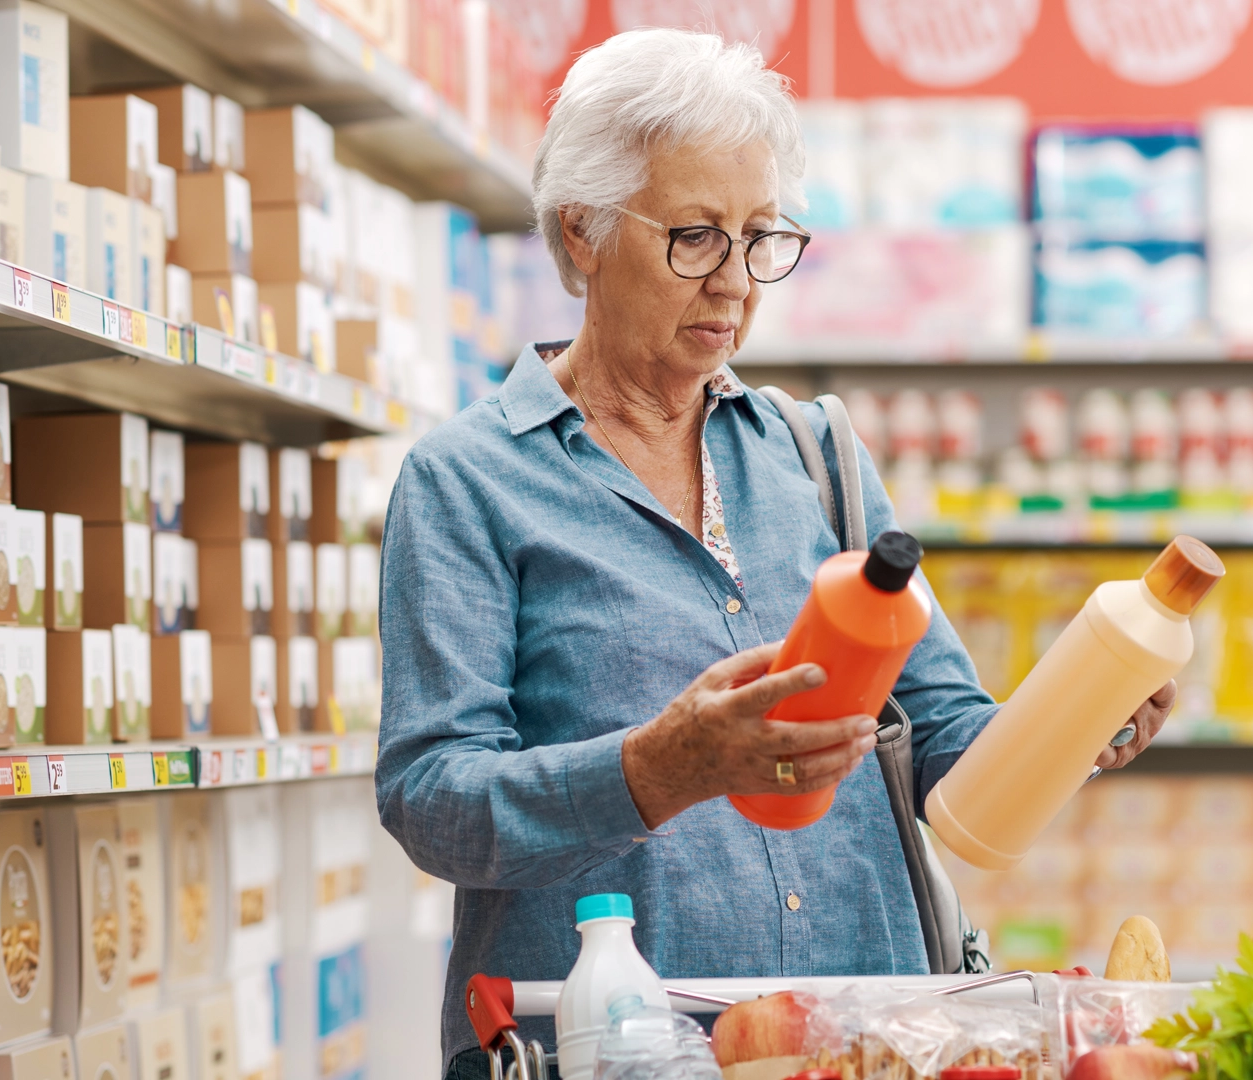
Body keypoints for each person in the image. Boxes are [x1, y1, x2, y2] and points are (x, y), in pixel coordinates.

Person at [375, 28, 1175, 1078]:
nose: (737, 284)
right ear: (581, 233)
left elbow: (939, 737)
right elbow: (433, 800)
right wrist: (659, 771)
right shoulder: (470, 483)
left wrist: (1073, 722)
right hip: (619, 1052)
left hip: (858, 1046)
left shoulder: (818, 455)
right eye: (696, 237)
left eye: (763, 238)